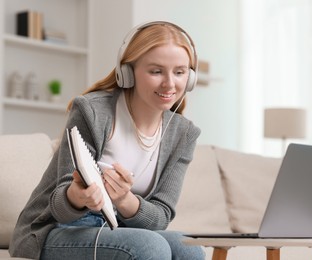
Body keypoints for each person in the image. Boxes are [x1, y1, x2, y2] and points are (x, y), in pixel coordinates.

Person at [9, 21, 204, 260]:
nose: (170, 83)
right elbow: (59, 208)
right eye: (156, 71)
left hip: (117, 230)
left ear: (190, 77)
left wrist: (123, 199)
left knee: (189, 248)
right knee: (150, 248)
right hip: (55, 229)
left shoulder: (183, 134)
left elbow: (161, 217)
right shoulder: (92, 111)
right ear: (128, 72)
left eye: (180, 72)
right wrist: (78, 197)